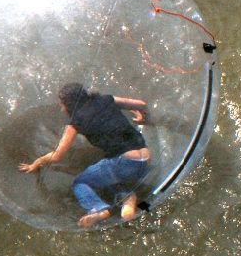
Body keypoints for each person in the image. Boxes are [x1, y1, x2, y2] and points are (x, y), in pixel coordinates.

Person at [19, 82, 150, 228]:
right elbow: (141, 104)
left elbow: (57, 156)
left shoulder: (76, 121)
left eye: (62, 105)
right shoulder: (106, 99)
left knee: (81, 183)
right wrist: (142, 117)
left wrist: (37, 162)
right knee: (104, 175)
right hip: (144, 160)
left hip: (123, 163)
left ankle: (98, 209)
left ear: (69, 104)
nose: (62, 109)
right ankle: (127, 201)